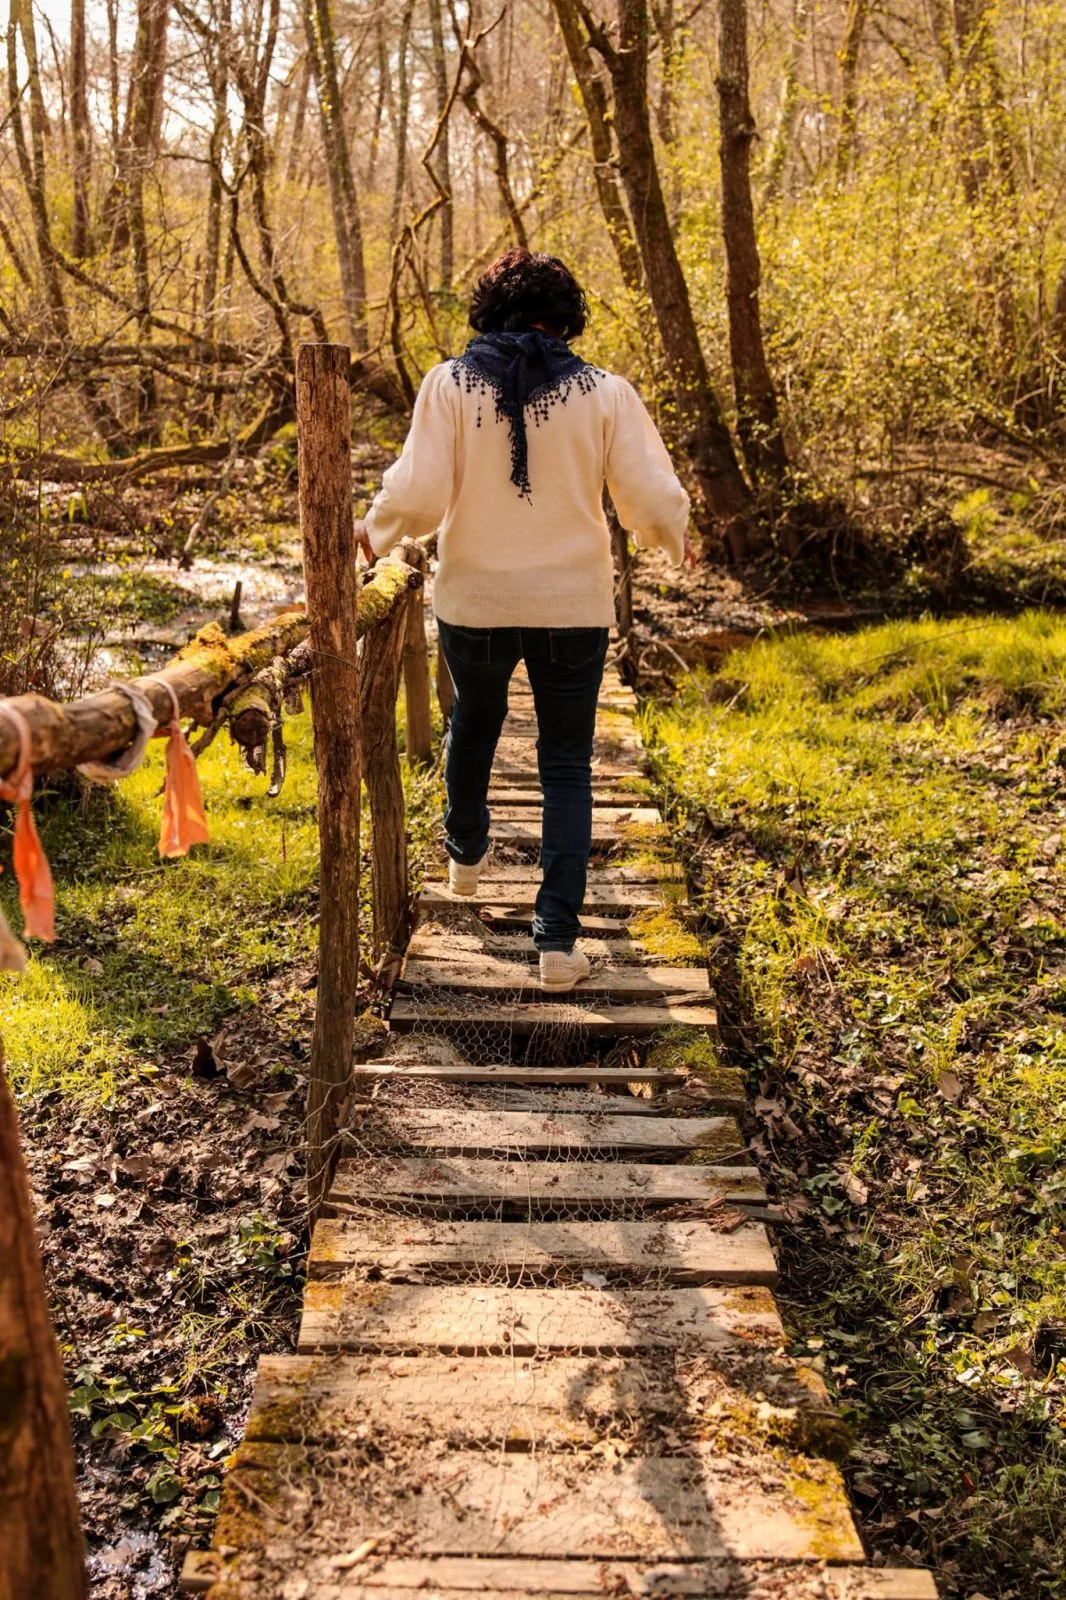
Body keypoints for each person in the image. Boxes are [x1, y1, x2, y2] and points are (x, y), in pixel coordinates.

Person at [357, 248, 692, 993]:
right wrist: (675, 534)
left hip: (474, 602)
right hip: (572, 606)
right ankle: (557, 944)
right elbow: (645, 494)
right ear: (566, 317)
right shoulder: (605, 392)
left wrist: (374, 530)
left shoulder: (448, 384)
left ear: (491, 310)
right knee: (565, 765)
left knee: (472, 724)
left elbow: (420, 493)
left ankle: (466, 855)